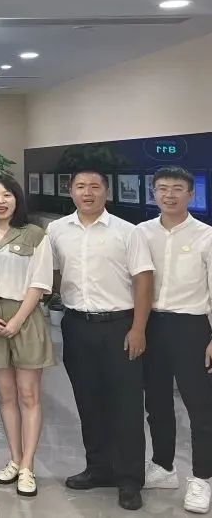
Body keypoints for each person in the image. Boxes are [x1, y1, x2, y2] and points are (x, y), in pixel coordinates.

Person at [49, 168, 153, 511]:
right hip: (77, 325)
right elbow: (52, 273)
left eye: (95, 187)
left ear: (106, 192)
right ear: (71, 191)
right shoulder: (57, 230)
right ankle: (98, 468)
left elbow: (143, 281)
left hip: (120, 327)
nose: (88, 192)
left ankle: (129, 479)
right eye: (81, 186)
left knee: (126, 405)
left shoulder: (128, 232)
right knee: (88, 402)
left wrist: (138, 328)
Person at [0, 174, 55, 498]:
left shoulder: (35, 234)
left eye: (7, 195)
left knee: (28, 395)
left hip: (26, 317)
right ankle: (14, 459)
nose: (0, 201)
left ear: (17, 199)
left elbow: (40, 282)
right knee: (5, 396)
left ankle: (28, 466)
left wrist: (18, 320)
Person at [138, 166, 212, 514]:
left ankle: (202, 479)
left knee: (201, 407)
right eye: (163, 188)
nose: (170, 195)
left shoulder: (206, 236)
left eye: (178, 188)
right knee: (156, 403)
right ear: (153, 193)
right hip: (151, 325)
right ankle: (163, 466)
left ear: (191, 194)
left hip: (192, 328)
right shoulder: (141, 233)